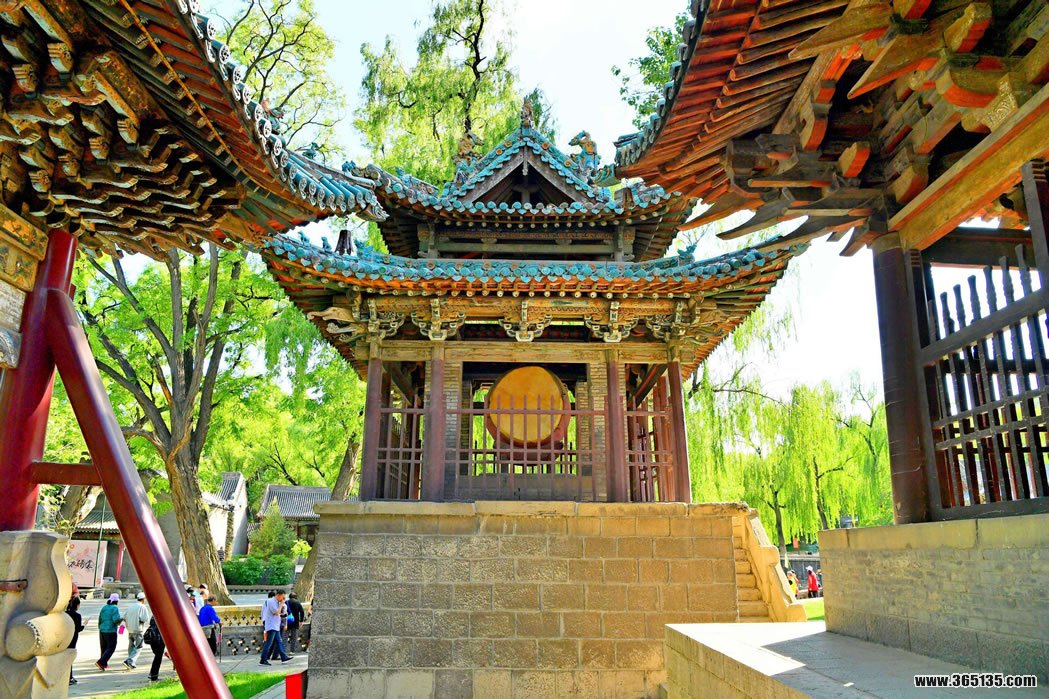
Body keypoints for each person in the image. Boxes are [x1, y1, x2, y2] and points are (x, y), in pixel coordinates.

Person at [259, 590, 291, 665]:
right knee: (268, 643)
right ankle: (263, 660)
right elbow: (276, 613)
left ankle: (283, 657)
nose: (283, 599)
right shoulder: (270, 601)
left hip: (276, 625)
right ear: (278, 595)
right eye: (283, 597)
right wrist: (281, 604)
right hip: (271, 625)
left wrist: (282, 606)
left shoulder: (277, 602)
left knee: (279, 642)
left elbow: (281, 613)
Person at [96, 594, 123, 671]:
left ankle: (103, 664)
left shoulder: (104, 607)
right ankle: (101, 662)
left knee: (104, 647)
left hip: (102, 630)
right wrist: (122, 620)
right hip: (111, 630)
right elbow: (116, 620)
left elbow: (100, 618)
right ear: (116, 601)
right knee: (111, 647)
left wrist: (100, 627)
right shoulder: (115, 608)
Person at [123, 591, 150, 669]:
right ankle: (129, 660)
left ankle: (131, 663)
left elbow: (124, 618)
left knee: (131, 646)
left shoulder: (131, 606)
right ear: (143, 599)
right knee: (139, 646)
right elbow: (145, 619)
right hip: (138, 629)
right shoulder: (142, 607)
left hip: (130, 629)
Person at [66, 596, 85, 685]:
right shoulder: (77, 616)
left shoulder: (65, 614)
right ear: (77, 605)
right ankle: (69, 677)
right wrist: (83, 626)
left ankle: (68, 676)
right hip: (72, 638)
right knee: (69, 658)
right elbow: (78, 629)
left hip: (63, 638)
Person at [144, 614, 165, 682]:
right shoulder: (162, 617)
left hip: (152, 638)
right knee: (158, 658)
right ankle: (154, 675)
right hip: (158, 639)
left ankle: (153, 674)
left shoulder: (154, 616)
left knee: (157, 657)